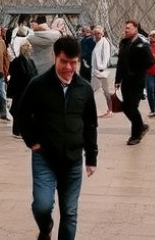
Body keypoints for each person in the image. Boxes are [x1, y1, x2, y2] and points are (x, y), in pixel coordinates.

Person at [16, 35, 98, 240]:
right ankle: (46, 228)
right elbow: (21, 114)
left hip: (73, 159)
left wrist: (91, 157)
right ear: (55, 57)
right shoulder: (38, 84)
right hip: (44, 157)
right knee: (42, 206)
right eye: (64, 61)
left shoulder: (84, 88)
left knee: (69, 213)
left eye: (73, 62)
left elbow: (90, 124)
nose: (69, 67)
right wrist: (32, 141)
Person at [115, 20, 153, 145]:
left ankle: (136, 135)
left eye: (128, 28)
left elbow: (150, 62)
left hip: (137, 82)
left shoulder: (142, 44)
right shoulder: (124, 43)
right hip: (125, 81)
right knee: (125, 107)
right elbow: (120, 63)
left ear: (136, 29)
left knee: (132, 107)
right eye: (125, 28)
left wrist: (137, 71)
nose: (126, 30)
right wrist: (117, 79)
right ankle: (141, 126)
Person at [7, 40, 37, 138]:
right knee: (18, 110)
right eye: (29, 46)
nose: (31, 48)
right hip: (19, 90)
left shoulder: (30, 61)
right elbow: (14, 78)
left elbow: (35, 74)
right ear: (25, 48)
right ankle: (16, 131)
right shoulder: (17, 62)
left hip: (28, 90)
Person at [90, 26, 113, 117]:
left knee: (106, 92)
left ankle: (110, 110)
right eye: (95, 33)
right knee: (91, 90)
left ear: (102, 34)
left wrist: (102, 67)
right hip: (96, 71)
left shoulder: (104, 42)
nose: (96, 35)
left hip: (102, 72)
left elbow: (106, 56)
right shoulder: (97, 43)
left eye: (98, 33)